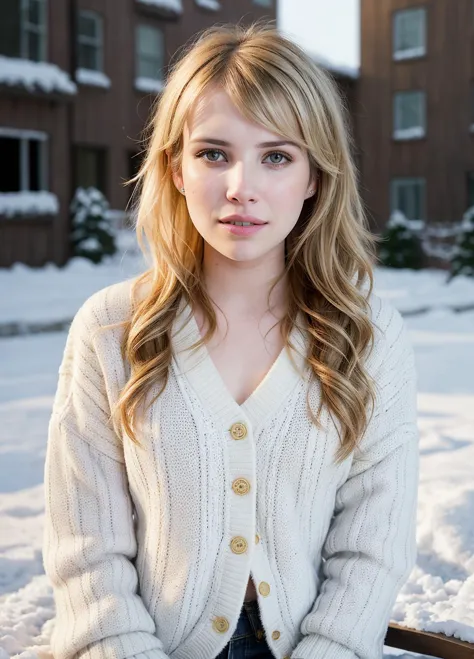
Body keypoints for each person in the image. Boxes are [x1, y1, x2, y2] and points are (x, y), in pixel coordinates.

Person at [42, 20, 420, 659]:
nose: (240, 186)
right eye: (213, 153)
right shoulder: (110, 330)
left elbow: (373, 547)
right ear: (176, 168)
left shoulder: (368, 334)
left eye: (276, 156)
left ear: (314, 178)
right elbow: (87, 550)